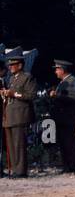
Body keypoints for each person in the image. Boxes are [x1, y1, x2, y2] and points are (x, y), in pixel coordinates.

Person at [1, 48, 37, 178]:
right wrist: (5, 94)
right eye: (9, 65)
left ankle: (21, 170)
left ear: (20, 65)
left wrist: (14, 94)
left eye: (12, 64)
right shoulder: (11, 79)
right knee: (11, 145)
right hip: (10, 115)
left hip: (20, 115)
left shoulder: (27, 77)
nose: (10, 67)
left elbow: (31, 95)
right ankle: (15, 169)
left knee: (19, 144)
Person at [49, 59, 75, 173]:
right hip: (62, 118)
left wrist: (57, 95)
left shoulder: (72, 81)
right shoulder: (62, 82)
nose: (55, 72)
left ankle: (73, 167)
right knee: (63, 143)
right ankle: (67, 166)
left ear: (62, 70)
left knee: (70, 143)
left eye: (57, 69)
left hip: (69, 118)